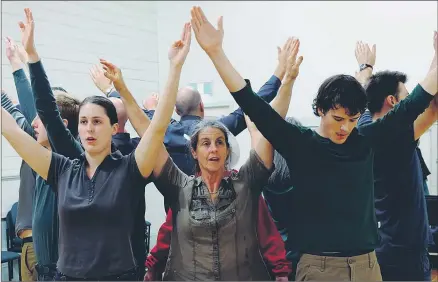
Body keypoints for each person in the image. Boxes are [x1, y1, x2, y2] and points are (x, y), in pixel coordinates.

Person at [191, 5, 438, 281]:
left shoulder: (367, 139)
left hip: (367, 265)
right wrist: (215, 52)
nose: (345, 127)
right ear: (320, 110)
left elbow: (414, 103)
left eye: (353, 119)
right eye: (338, 118)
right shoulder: (302, 144)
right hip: (319, 267)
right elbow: (252, 103)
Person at [1, 14, 192, 281]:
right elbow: (15, 127)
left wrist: (174, 68)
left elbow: (158, 126)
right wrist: (32, 55)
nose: (89, 128)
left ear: (114, 128)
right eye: (84, 122)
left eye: (97, 121)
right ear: (76, 128)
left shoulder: (130, 168)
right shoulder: (62, 169)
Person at [356, 33, 438, 281]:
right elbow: (433, 106)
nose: (411, 99)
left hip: (382, 247)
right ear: (393, 101)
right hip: (406, 254)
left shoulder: (364, 124)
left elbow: (363, 92)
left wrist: (365, 69)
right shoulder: (396, 137)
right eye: (406, 95)